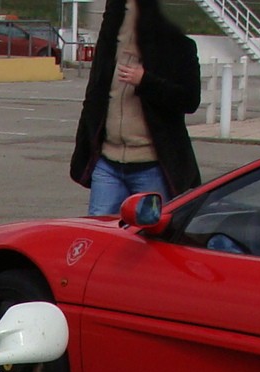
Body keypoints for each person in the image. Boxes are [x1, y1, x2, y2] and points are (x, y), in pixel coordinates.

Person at [69, 0, 201, 217]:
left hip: (151, 166)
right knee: (100, 233)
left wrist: (145, 81)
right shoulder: (109, 50)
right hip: (108, 162)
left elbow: (189, 100)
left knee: (151, 237)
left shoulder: (179, 48)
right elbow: (93, 97)